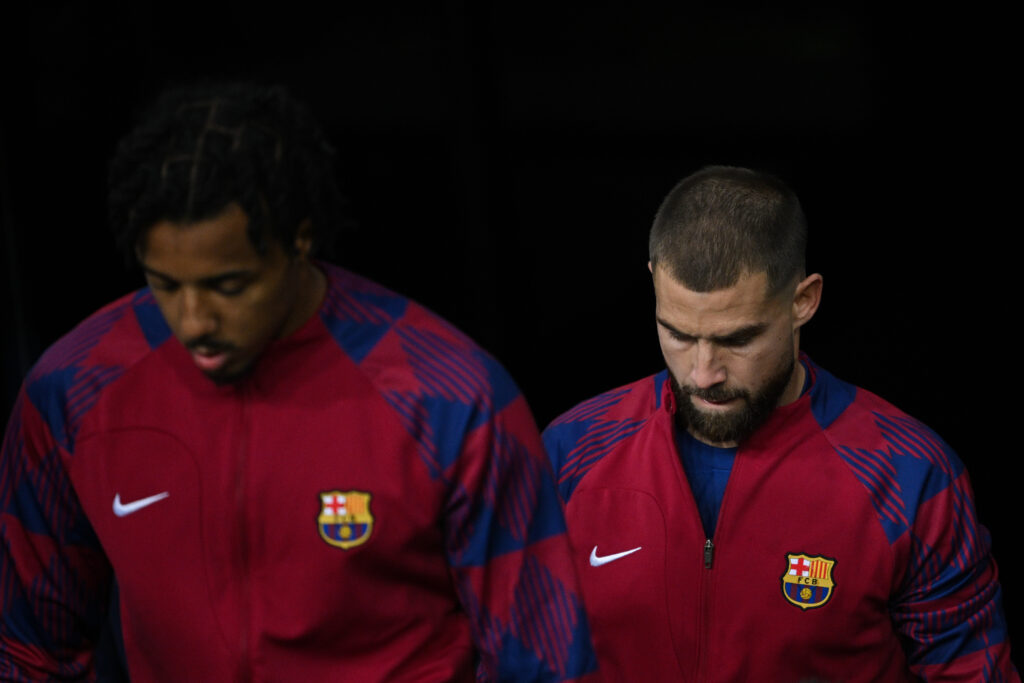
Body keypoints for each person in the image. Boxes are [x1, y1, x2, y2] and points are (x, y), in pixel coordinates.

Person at [0, 83, 596, 681]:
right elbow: (28, 652)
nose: (194, 322)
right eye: (166, 284)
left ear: (301, 238)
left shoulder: (451, 399)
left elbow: (544, 664)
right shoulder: (72, 391)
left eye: (230, 286)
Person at [542, 165, 1018, 681]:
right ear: (654, 282)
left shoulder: (909, 475)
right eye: (678, 334)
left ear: (803, 301)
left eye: (738, 339)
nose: (703, 373)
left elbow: (972, 674)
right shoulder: (570, 453)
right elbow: (517, 653)